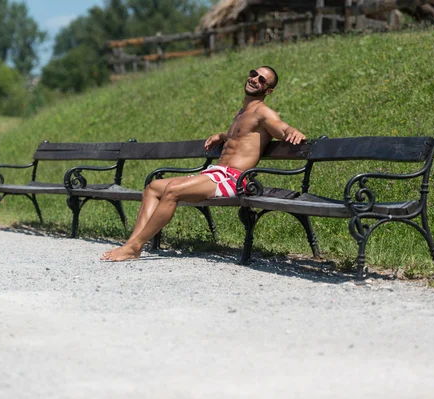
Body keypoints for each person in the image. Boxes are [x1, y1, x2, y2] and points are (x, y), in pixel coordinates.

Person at [101, 66, 306, 261]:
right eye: (254, 74)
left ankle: (135, 246)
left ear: (268, 90)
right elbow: (242, 135)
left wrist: (292, 132)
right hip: (217, 173)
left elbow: (281, 128)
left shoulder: (264, 113)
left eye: (262, 80)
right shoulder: (242, 112)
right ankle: (131, 245)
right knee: (153, 187)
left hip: (235, 178)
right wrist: (221, 135)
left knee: (172, 190)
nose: (254, 79)